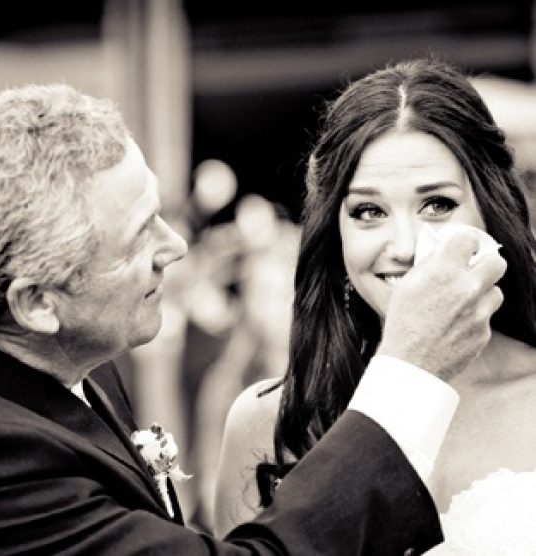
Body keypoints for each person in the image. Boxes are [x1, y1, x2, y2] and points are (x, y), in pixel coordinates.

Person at [0, 83, 504, 555]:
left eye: (438, 203)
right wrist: (411, 370)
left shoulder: (74, 368)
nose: (176, 246)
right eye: (139, 236)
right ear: (39, 303)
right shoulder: (0, 461)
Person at [214, 58, 536, 551]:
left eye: (438, 204)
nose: (404, 246)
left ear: (491, 212)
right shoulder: (266, 422)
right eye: (369, 211)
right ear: (335, 235)